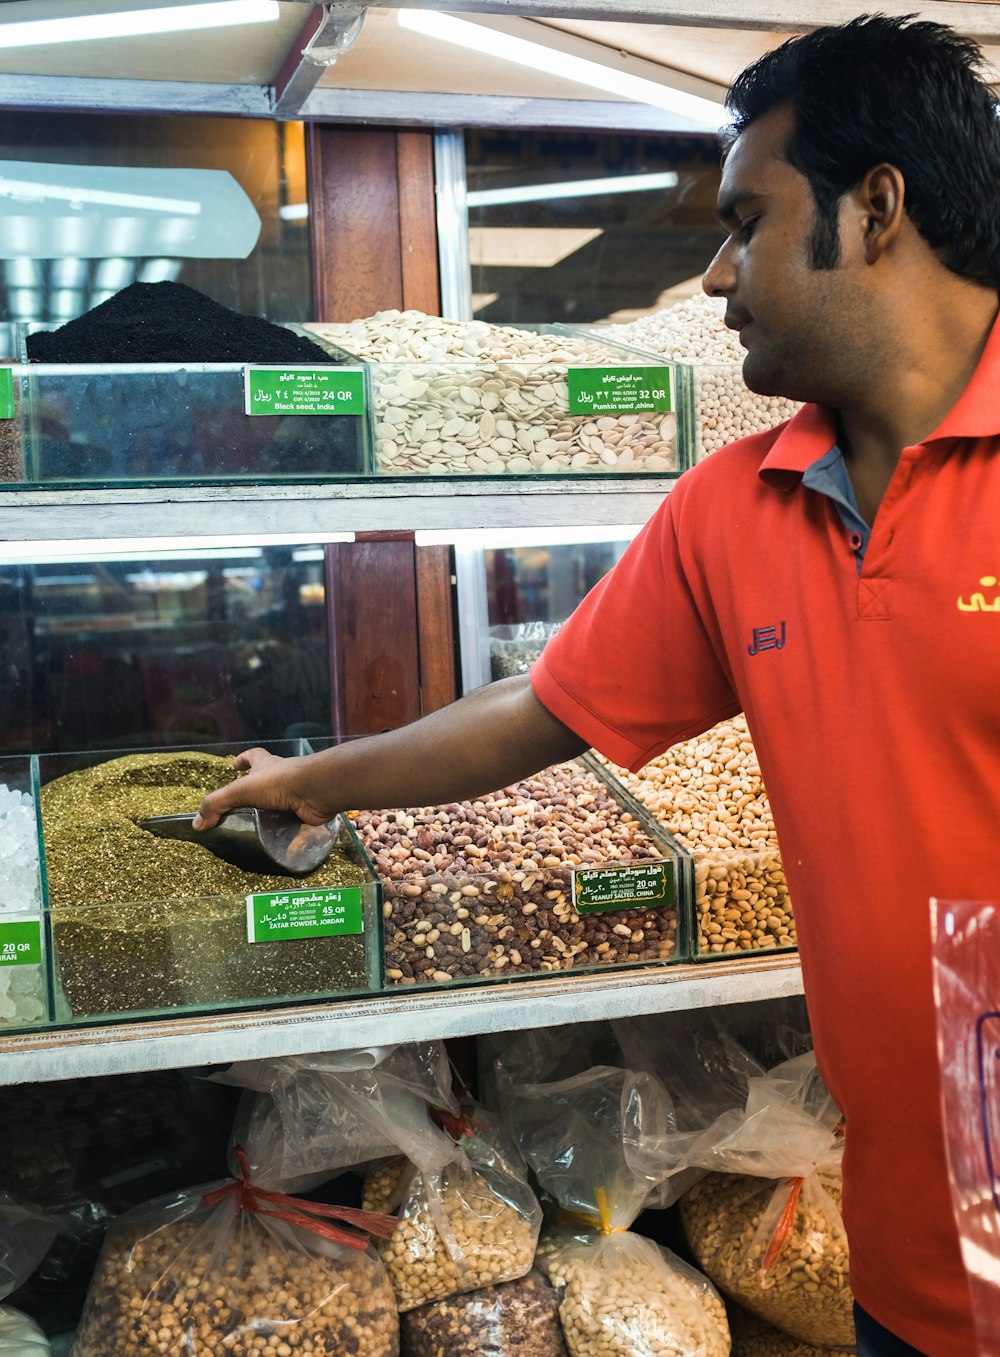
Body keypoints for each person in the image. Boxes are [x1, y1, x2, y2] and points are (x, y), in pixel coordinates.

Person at [196, 15, 1000, 1354]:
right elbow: (533, 712)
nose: (715, 271)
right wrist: (314, 778)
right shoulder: (736, 512)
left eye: (747, 220)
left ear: (876, 211)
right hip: (915, 1241)